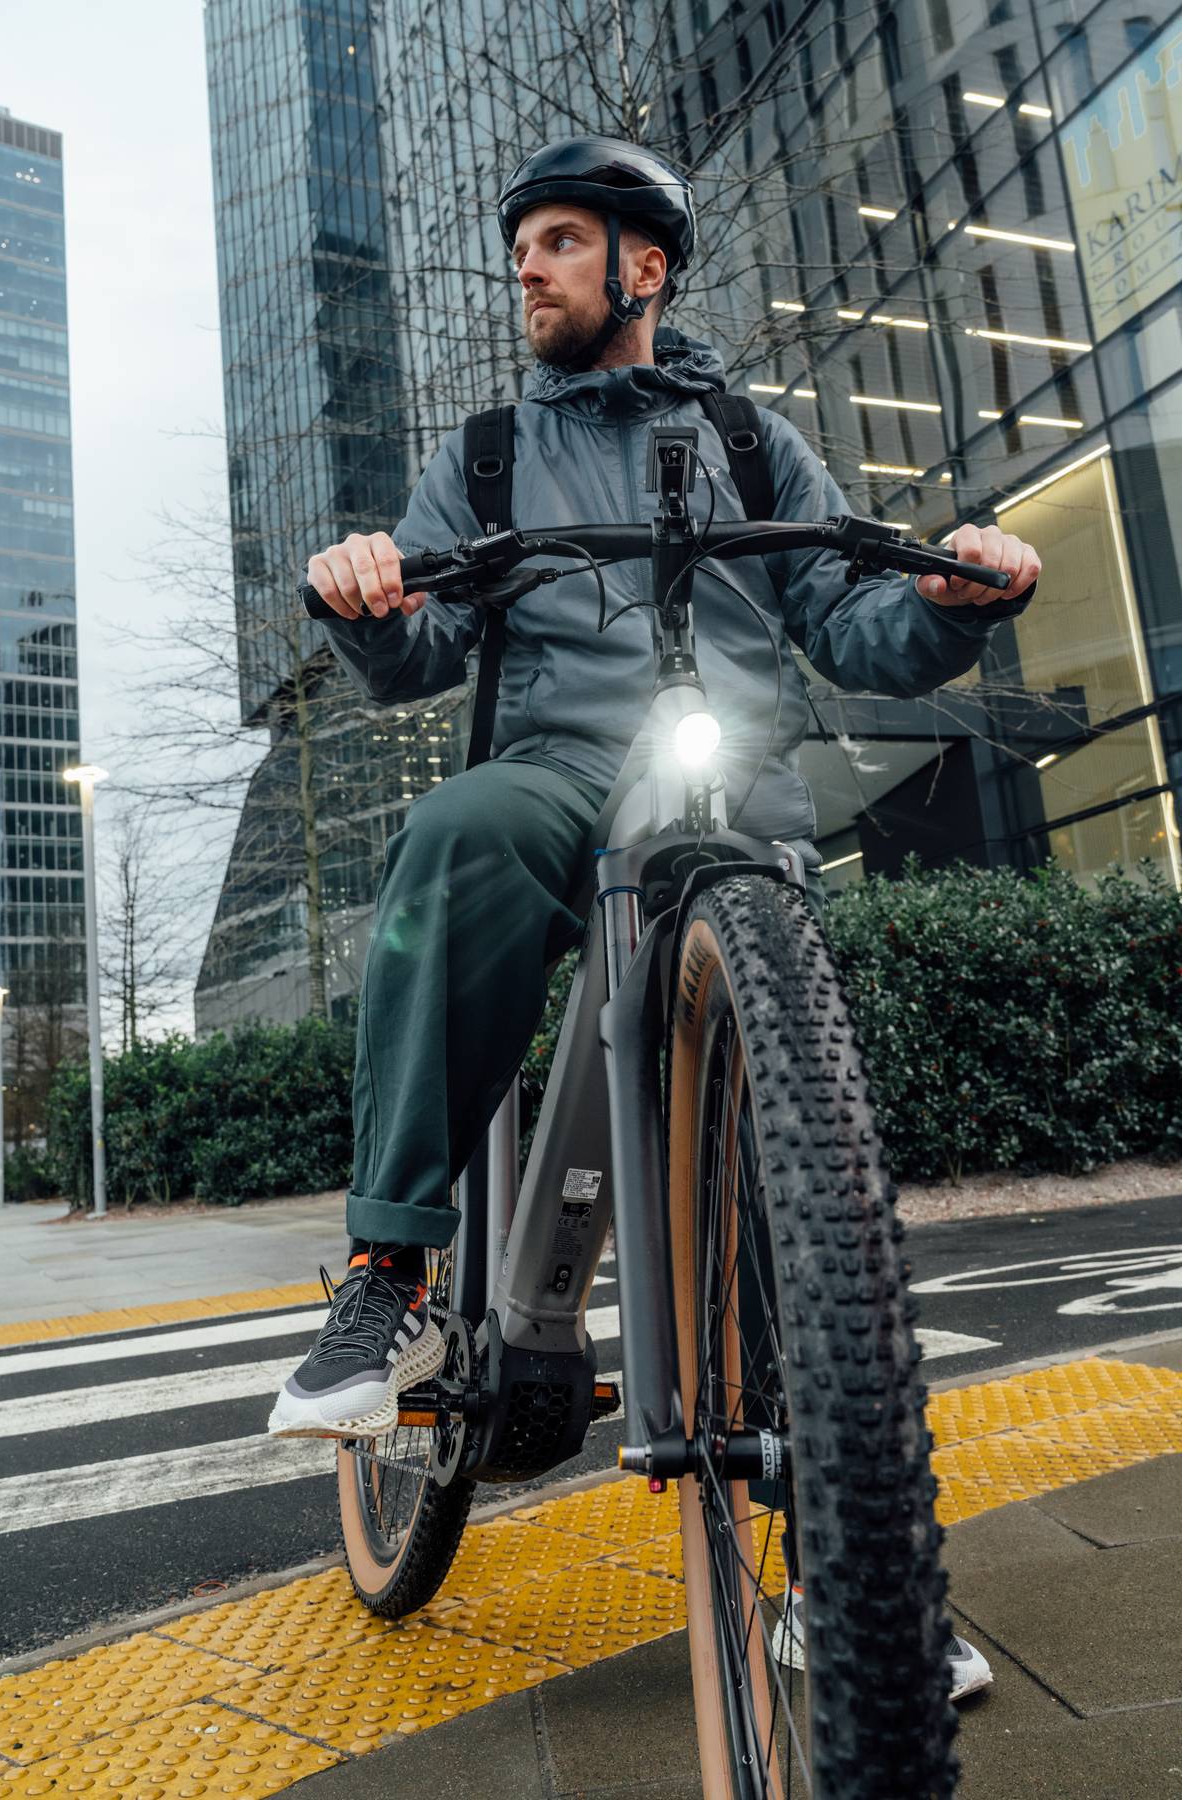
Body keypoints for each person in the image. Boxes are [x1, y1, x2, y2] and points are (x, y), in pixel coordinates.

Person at [268, 137, 1038, 1699]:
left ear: (645, 266)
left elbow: (856, 623)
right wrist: (367, 595)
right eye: (524, 252)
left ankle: (856, 1577)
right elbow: (424, 645)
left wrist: (958, 604)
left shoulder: (755, 439)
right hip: (558, 773)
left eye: (558, 242)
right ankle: (391, 1283)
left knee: (797, 1178)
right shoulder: (484, 457)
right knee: (456, 829)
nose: (529, 272)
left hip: (734, 787)